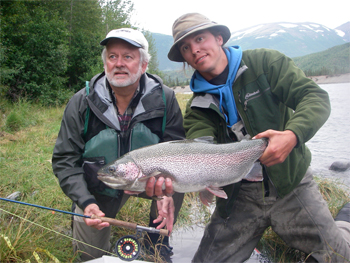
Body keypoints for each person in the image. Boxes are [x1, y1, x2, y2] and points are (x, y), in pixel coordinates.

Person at [165, 13, 350, 262]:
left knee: (339, 255)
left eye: (200, 39)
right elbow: (200, 153)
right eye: (186, 48)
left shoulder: (266, 63)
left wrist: (292, 135)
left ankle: (345, 224)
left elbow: (314, 97)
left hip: (291, 184)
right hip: (238, 197)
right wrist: (177, 183)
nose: (195, 50)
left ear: (219, 38)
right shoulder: (196, 107)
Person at [52, 28, 185, 261]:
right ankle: (88, 215)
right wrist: (85, 202)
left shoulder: (166, 99)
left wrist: (166, 192)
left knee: (179, 185)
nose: (119, 63)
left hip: (149, 181)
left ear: (143, 65)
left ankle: (156, 240)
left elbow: (178, 152)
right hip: (101, 183)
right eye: (112, 56)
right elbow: (65, 161)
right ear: (105, 63)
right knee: (89, 257)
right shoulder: (81, 101)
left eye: (128, 56)